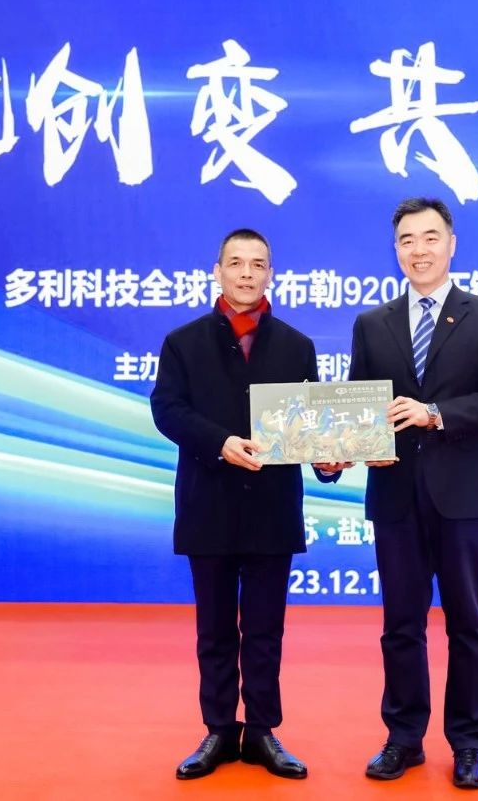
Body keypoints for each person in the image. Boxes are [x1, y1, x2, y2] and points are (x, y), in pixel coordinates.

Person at [150, 228, 339, 781]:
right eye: (236, 263)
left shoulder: (297, 346)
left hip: (272, 509)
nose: (247, 273)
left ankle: (261, 731)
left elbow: (309, 427)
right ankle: (217, 729)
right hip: (208, 504)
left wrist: (328, 460)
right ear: (218, 271)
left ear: (270, 274)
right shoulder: (183, 342)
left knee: (264, 629)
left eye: (258, 264)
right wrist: (220, 442)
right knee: (213, 629)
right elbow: (167, 410)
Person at [348, 197, 478, 789]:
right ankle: (403, 738)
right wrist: (336, 451)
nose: (418, 250)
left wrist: (435, 414)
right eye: (406, 240)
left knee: (469, 624)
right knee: (400, 624)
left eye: (429, 238)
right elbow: (359, 408)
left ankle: (469, 743)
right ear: (395, 249)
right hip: (395, 494)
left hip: (464, 495)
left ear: (452, 244)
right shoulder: (372, 324)